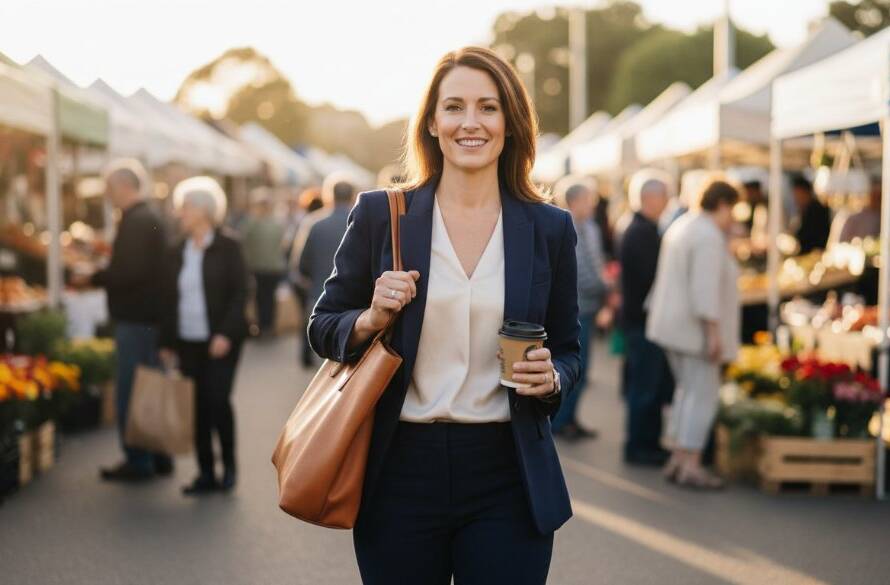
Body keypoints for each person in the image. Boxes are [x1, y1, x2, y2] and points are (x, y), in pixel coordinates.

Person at [308, 46, 580, 584]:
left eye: (488, 107)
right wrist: (369, 318)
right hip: (400, 468)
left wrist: (552, 377)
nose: (470, 123)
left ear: (511, 122)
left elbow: (571, 347)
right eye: (454, 107)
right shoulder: (382, 216)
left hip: (508, 470)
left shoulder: (549, 228)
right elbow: (324, 325)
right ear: (432, 122)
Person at [646, 177, 741, 489]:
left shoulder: (684, 225)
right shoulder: (708, 236)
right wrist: (714, 334)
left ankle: (678, 458)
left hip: (671, 326)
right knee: (701, 396)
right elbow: (705, 290)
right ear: (724, 205)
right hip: (693, 331)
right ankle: (691, 464)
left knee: (685, 393)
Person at [82, 159, 171, 482]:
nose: (106, 195)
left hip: (136, 318)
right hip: (151, 318)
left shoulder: (136, 221)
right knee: (151, 388)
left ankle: (138, 459)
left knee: (132, 390)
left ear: (123, 186)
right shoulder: (149, 217)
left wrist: (95, 278)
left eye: (108, 188)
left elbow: (130, 272)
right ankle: (159, 453)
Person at [159, 177, 249, 496]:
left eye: (184, 207)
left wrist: (225, 333)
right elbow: (168, 299)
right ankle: (206, 472)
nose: (179, 213)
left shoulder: (229, 246)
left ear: (203, 210)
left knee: (217, 400)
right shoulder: (176, 250)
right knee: (195, 405)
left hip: (221, 341)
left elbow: (240, 294)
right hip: (188, 340)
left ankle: (230, 467)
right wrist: (167, 343)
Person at [619, 169, 674, 466]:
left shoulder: (642, 228)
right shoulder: (641, 232)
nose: (667, 202)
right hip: (642, 322)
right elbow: (652, 277)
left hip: (641, 320)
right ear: (650, 198)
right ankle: (639, 447)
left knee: (647, 386)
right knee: (644, 387)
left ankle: (647, 443)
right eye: (665, 196)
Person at [551, 176, 606, 440]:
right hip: (578, 307)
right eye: (588, 199)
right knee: (574, 366)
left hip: (591, 304)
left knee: (583, 369)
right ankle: (561, 421)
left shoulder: (589, 227)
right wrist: (606, 287)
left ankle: (571, 418)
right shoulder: (567, 226)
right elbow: (579, 272)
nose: (592, 205)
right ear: (575, 201)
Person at [290, 174, 357, 368]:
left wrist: (308, 278)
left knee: (312, 323)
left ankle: (307, 358)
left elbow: (301, 262)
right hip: (354, 295)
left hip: (319, 288)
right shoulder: (361, 221)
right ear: (352, 195)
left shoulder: (314, 223)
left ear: (330, 195)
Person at [241, 187, 286, 335]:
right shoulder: (271, 223)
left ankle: (266, 326)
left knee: (264, 298)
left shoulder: (254, 223)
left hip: (266, 267)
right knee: (264, 298)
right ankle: (265, 326)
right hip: (264, 267)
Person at [792, 174, 831, 254]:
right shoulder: (805, 210)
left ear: (805, 192)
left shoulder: (817, 209)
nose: (796, 198)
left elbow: (810, 236)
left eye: (798, 194)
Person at [839, 176, 881, 243]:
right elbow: (840, 242)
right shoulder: (852, 217)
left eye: (879, 197)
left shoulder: (881, 217)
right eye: (875, 195)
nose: (877, 200)